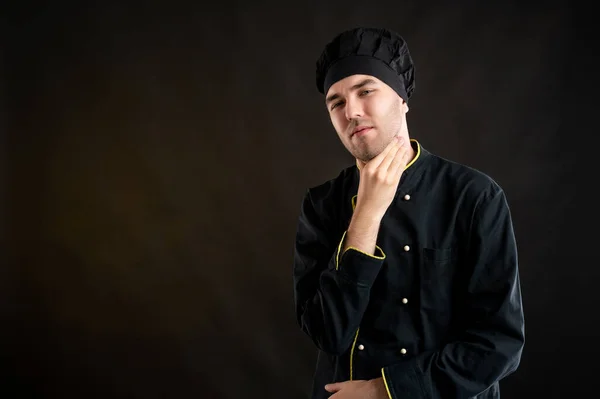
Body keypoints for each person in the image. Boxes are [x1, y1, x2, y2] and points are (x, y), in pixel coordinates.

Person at [292, 27, 525, 399]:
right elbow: (328, 333)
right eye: (335, 102)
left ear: (402, 98)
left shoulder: (473, 196)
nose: (351, 111)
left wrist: (384, 390)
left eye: (366, 91)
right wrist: (366, 216)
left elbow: (498, 343)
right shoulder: (322, 205)